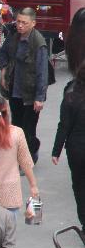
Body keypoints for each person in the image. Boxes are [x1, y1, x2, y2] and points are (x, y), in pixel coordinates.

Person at [0, 7, 48, 163]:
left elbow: (42, 73)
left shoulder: (38, 43)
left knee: (28, 130)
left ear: (33, 23)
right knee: (16, 127)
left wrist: (39, 98)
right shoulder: (13, 37)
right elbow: (2, 53)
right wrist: (4, 69)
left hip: (30, 95)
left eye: (24, 23)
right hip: (14, 90)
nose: (20, 26)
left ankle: (29, 159)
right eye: (18, 21)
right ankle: (18, 156)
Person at [0, 95, 39, 218]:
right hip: (12, 192)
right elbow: (25, 162)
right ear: (6, 111)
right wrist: (33, 186)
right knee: (9, 234)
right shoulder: (17, 133)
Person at [53, 63, 85, 229]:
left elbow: (63, 126)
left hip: (76, 149)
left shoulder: (70, 98)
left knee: (79, 185)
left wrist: (56, 151)